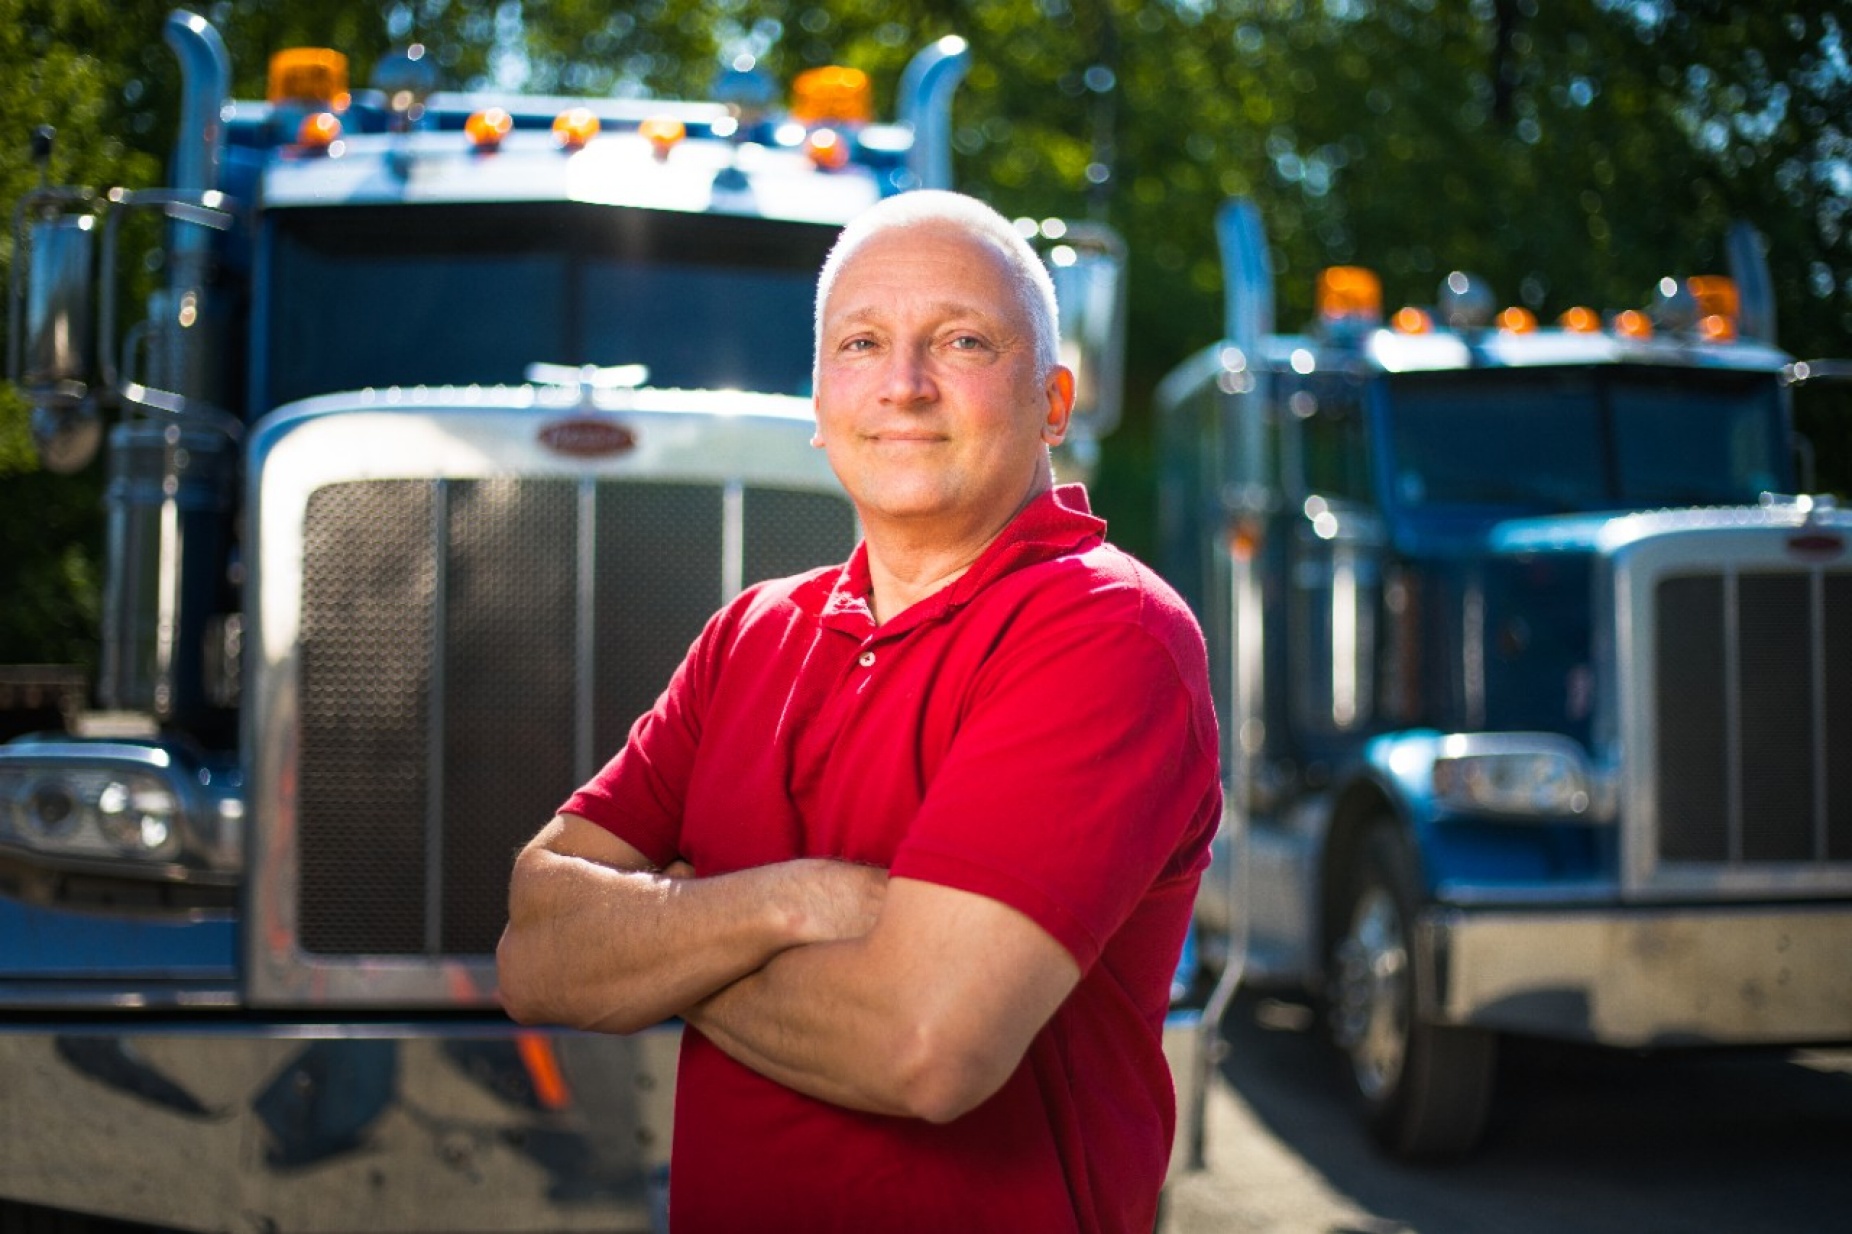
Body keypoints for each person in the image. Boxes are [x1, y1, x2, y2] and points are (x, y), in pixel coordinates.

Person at [496, 189, 1220, 1233]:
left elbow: (923, 1047)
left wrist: (662, 943)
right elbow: (530, 955)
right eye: (862, 342)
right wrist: (788, 902)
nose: (904, 385)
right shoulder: (751, 634)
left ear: (1055, 401)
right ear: (819, 400)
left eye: (962, 341)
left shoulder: (1109, 631)